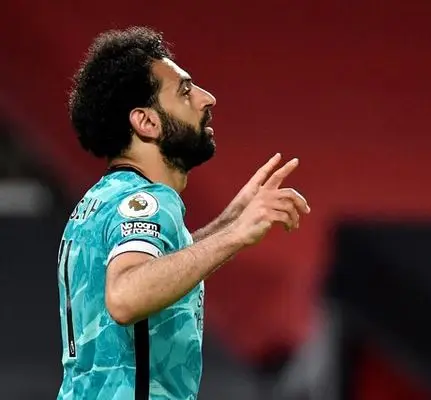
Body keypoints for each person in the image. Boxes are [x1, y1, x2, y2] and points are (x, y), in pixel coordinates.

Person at [56, 26, 310, 400]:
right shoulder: (149, 200)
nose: (208, 99)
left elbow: (155, 268)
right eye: (185, 91)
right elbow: (125, 295)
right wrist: (236, 235)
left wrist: (229, 221)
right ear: (147, 122)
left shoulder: (102, 200)